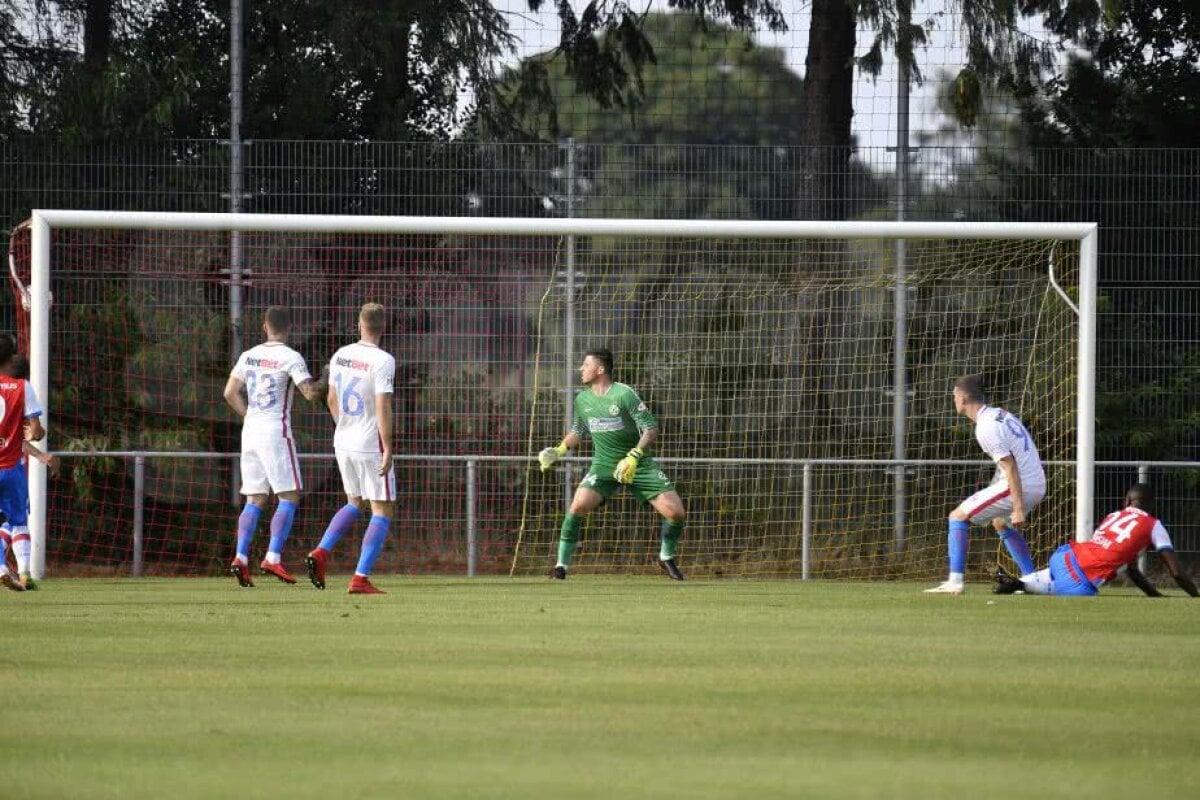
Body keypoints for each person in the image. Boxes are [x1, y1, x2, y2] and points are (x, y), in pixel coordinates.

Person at [538, 347, 687, 580]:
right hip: (603, 465)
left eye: (585, 365)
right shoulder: (582, 399)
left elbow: (651, 428)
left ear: (600, 369)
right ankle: (560, 568)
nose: (581, 369)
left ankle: (665, 557)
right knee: (577, 507)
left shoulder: (624, 394)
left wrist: (634, 456)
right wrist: (558, 450)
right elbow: (578, 431)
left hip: (638, 464)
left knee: (676, 513)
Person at [223, 307, 326, 588]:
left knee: (254, 498)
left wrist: (247, 415)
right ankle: (273, 556)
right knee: (289, 496)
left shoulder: (249, 355)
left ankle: (241, 557)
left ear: (264, 326)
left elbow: (229, 392)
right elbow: (310, 393)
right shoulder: (290, 357)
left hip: (251, 431)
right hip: (275, 432)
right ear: (289, 328)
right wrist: (327, 376)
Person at [304, 303, 396, 595]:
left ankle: (321, 551)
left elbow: (331, 398)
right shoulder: (383, 360)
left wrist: (344, 426)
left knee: (354, 503)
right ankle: (360, 578)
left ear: (359, 324)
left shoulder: (341, 355)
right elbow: (382, 404)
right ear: (383, 327)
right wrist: (388, 446)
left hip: (343, 439)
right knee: (382, 509)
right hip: (370, 443)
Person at [926, 375, 1044, 594]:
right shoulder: (1000, 414)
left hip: (1022, 484)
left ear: (962, 398)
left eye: (954, 396)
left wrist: (1018, 508)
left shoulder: (985, 427)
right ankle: (1031, 578)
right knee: (1000, 522)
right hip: (1036, 482)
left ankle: (956, 581)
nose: (953, 400)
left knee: (957, 516)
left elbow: (1010, 468)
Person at [994, 483, 1199, 597]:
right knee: (1078, 592)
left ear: (1126, 502)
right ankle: (1022, 586)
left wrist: (1155, 596)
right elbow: (1177, 573)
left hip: (1064, 554)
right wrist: (1195, 596)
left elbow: (1129, 568)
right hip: (1079, 578)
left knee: (1061, 574)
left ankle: (1017, 582)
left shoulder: (1113, 516)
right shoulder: (1154, 525)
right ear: (1151, 505)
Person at [0, 354, 58, 587]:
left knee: (4, 523)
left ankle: (3, 568)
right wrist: (39, 441)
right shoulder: (22, 389)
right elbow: (34, 431)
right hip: (12, 468)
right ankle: (24, 572)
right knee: (18, 521)